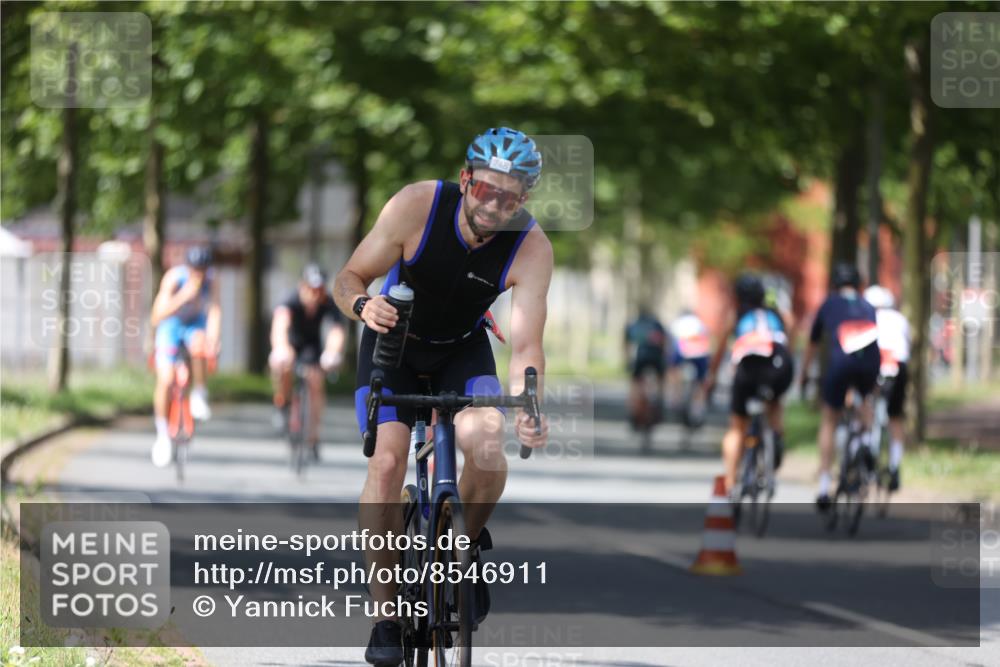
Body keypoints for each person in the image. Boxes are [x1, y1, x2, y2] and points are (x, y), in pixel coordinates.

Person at [333, 127, 552, 666]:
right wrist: (363, 305)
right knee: (386, 465)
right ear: (465, 180)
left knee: (486, 445)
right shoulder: (416, 206)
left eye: (510, 197)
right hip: (393, 344)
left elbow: (525, 343)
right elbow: (349, 276)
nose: (495, 205)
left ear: (523, 200)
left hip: (461, 347)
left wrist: (532, 403)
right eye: (486, 190)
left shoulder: (531, 247)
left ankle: (459, 555)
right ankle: (387, 618)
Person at [799, 262, 880, 511]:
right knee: (865, 400)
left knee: (829, 420)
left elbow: (813, 344)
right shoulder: (868, 306)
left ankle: (824, 486)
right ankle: (864, 442)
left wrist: (804, 375)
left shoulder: (829, 304)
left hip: (841, 362)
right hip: (869, 362)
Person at [703, 274, 794, 495]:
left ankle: (731, 483)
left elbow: (721, 350)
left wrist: (711, 377)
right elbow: (791, 328)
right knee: (775, 402)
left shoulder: (736, 315)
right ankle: (775, 438)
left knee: (736, 427)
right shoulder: (776, 314)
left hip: (748, 368)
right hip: (778, 366)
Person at [149, 246, 220, 467]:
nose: (199, 274)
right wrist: (183, 296)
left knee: (200, 343)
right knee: (166, 380)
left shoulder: (212, 280)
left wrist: (213, 338)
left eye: (203, 270)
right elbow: (156, 316)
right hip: (170, 327)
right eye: (195, 270)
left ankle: (199, 393)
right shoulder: (174, 278)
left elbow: (215, 310)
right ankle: (162, 435)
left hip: (194, 326)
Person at [268, 263, 346, 459]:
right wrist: (281, 347)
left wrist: (332, 352)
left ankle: (313, 437)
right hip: (290, 344)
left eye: (319, 289)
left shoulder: (327, 302)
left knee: (316, 383)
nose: (315, 294)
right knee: (283, 364)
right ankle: (282, 403)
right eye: (311, 288)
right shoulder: (290, 300)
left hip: (312, 347)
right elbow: (280, 326)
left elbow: (337, 331)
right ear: (302, 286)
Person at [864, 284, 910, 491]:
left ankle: (866, 449)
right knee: (895, 418)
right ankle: (894, 466)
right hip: (898, 366)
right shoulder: (900, 319)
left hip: (876, 364)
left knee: (865, 407)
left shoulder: (865, 318)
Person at [624, 306, 669, 427]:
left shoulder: (635, 325)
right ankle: (659, 403)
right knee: (660, 380)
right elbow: (665, 343)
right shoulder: (658, 325)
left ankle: (634, 410)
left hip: (641, 358)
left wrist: (627, 361)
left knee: (635, 383)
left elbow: (627, 344)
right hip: (656, 358)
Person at [668, 308, 712, 424]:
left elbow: (672, 341)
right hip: (700, 353)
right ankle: (699, 407)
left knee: (673, 370)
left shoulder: (677, 323)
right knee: (701, 380)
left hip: (682, 352)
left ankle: (676, 397)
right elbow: (707, 339)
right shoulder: (699, 323)